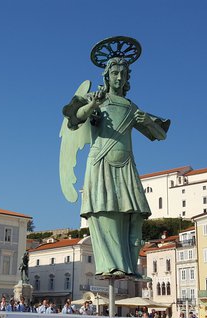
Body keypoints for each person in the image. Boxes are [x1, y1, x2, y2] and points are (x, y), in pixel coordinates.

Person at [60, 41, 170, 277]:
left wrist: (148, 121)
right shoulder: (95, 98)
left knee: (132, 216)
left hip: (126, 165)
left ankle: (129, 266)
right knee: (105, 212)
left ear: (128, 77)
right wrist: (93, 104)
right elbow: (75, 118)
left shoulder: (131, 107)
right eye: (115, 72)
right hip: (101, 162)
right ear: (107, 75)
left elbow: (159, 135)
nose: (119, 77)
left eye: (123, 73)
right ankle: (110, 265)